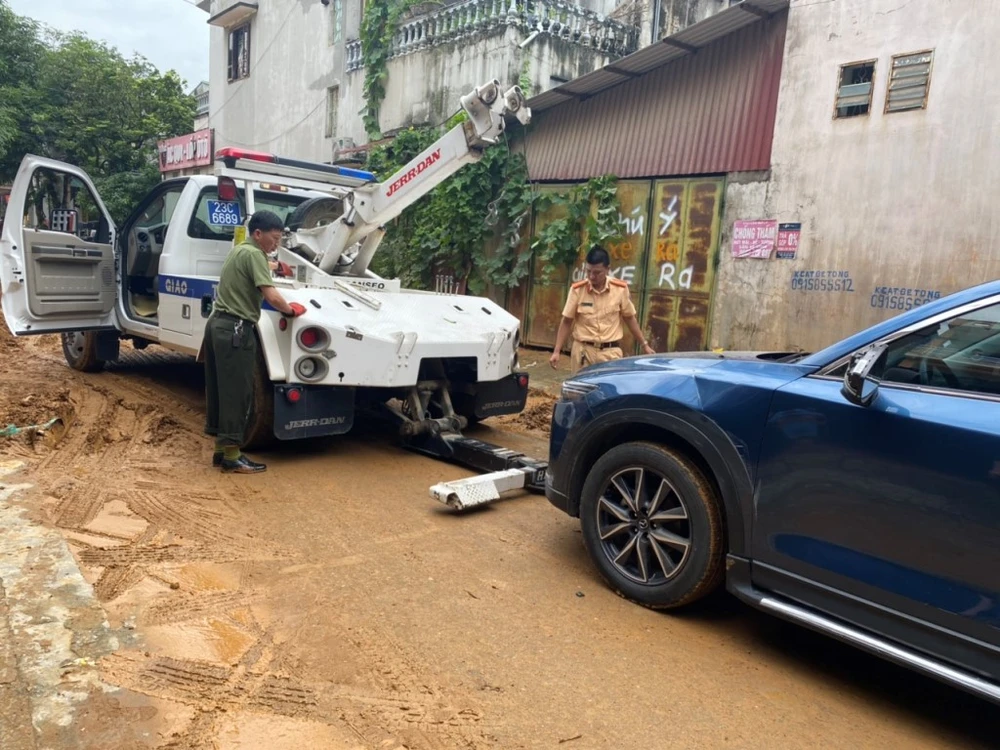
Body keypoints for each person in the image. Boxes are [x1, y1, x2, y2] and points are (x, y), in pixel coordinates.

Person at [204, 210, 306, 473]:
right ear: (258, 234)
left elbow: (257, 270)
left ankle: (220, 451)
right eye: (274, 238)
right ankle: (232, 457)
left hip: (218, 325)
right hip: (236, 329)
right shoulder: (255, 255)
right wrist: (290, 310)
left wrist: (275, 266)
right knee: (238, 393)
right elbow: (271, 296)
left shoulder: (240, 250)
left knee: (222, 390)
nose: (276, 244)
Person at [549, 246, 655, 372]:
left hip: (610, 353)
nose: (591, 276)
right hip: (583, 352)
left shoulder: (620, 289)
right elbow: (567, 321)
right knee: (581, 384)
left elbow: (629, 318)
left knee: (609, 385)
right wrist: (557, 351)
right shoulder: (577, 290)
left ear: (607, 269)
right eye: (588, 271)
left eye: (597, 272)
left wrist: (644, 345)